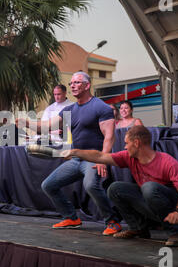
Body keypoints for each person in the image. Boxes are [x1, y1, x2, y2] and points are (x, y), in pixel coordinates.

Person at [16, 71, 121, 235]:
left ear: (87, 85)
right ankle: (71, 218)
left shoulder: (100, 107)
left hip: (93, 158)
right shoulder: (69, 110)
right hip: (76, 158)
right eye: (71, 83)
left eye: (77, 82)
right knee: (48, 185)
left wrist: (103, 159)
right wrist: (26, 123)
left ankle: (112, 221)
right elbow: (46, 127)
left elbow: (109, 136)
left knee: (90, 185)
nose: (72, 85)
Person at [61, 125, 178, 247]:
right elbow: (100, 156)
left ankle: (176, 233)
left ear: (136, 143)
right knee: (115, 188)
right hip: (151, 204)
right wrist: (75, 152)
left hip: (172, 209)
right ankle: (138, 228)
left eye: (127, 143)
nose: (125, 147)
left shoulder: (167, 161)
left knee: (148, 187)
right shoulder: (129, 157)